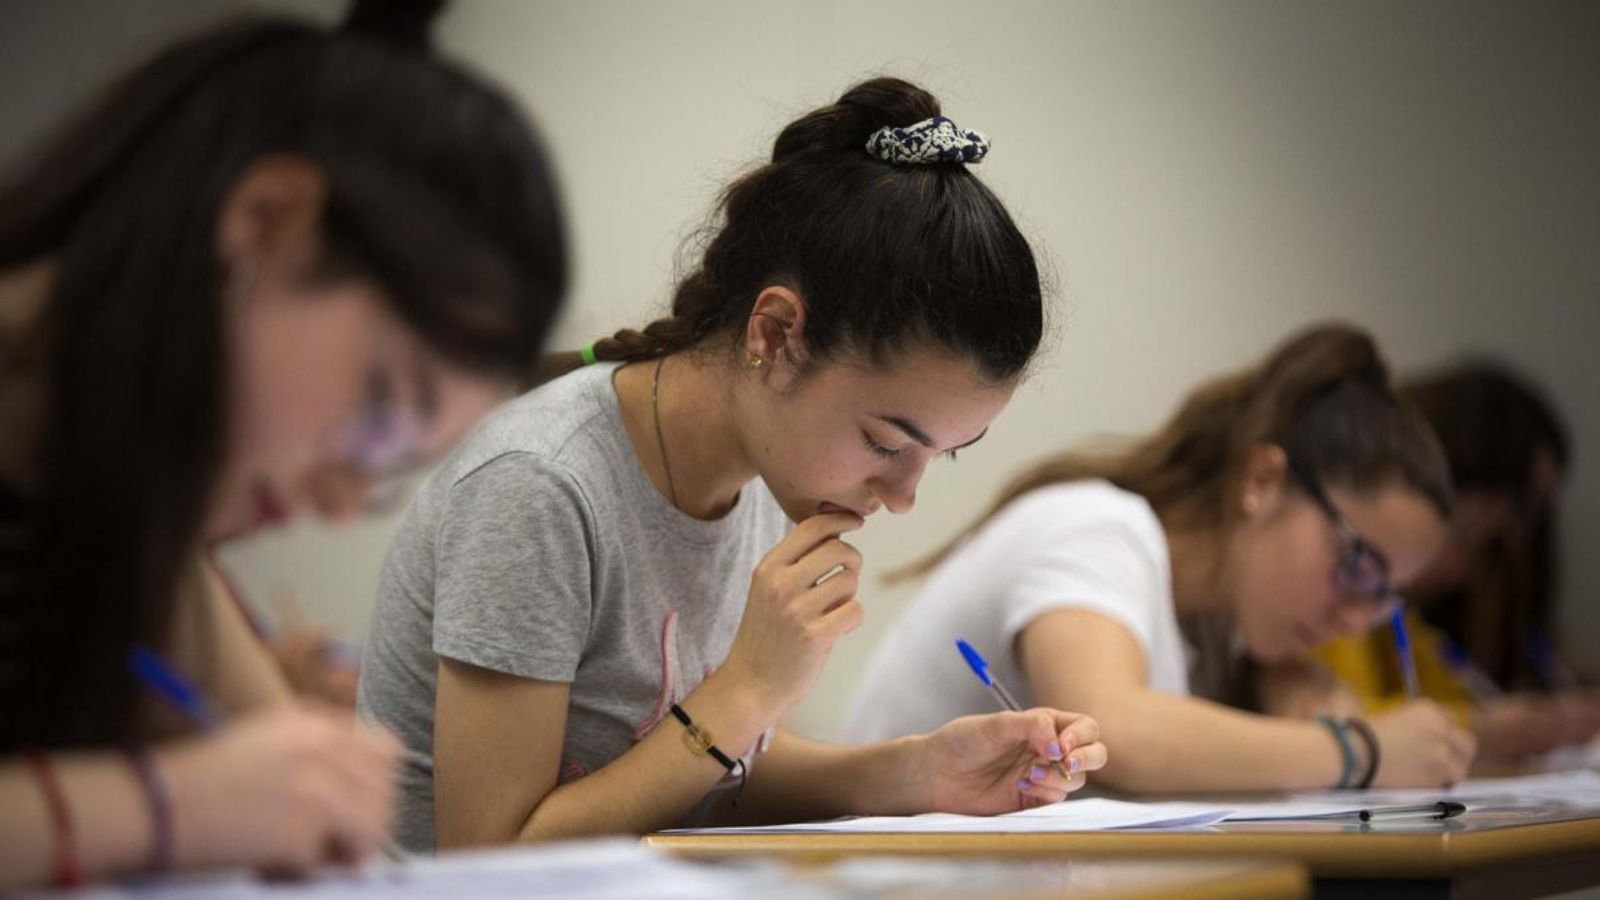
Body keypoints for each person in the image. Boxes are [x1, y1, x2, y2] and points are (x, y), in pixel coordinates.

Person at [360, 77, 1107, 852]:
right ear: (776, 335)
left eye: (937, 457)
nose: (903, 494)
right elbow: (489, 857)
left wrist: (917, 774)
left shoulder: (758, 474)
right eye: (887, 443)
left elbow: (696, 768)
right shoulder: (539, 485)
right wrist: (748, 688)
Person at [0, 0, 567, 887]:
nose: (341, 501)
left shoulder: (120, 498)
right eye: (379, 410)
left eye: (393, 470)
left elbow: (296, 804)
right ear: (265, 221)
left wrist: (303, 785)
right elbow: (214, 787)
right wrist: (168, 803)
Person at [846, 325, 1477, 792]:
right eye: (1358, 566)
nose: (1353, 619)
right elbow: (1112, 727)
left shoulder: (1218, 624)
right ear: (1262, 479)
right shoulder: (1096, 528)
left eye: (1385, 598)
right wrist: (1356, 749)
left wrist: (1288, 692)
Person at [1312, 362, 1600, 763]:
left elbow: (1439, 693)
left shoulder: (1391, 609)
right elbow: (1329, 722)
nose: (1464, 571)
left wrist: (1523, 723)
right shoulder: (1331, 594)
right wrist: (1480, 731)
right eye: (1482, 541)